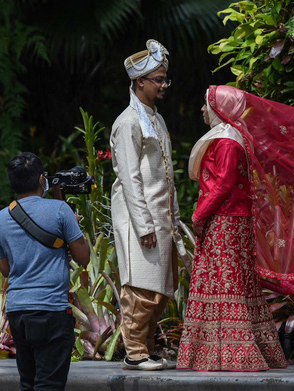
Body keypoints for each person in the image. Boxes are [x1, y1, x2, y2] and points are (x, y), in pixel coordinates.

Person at [176, 87, 287, 371]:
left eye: (207, 105)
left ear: (220, 109)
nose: (203, 110)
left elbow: (223, 185)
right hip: (232, 218)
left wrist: (199, 215)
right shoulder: (234, 136)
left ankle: (232, 355)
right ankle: (230, 352)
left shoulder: (227, 140)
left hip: (225, 218)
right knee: (232, 281)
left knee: (225, 283)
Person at [110, 39, 186, 371]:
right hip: (140, 216)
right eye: (158, 79)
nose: (163, 85)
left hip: (161, 214)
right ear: (139, 81)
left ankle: (148, 347)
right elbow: (129, 177)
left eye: (165, 79)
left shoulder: (154, 118)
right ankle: (135, 351)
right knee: (142, 284)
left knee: (162, 286)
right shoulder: (128, 121)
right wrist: (144, 225)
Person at [0, 152, 91, 390]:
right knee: (49, 384)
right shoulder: (60, 211)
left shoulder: (0, 218)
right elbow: (84, 258)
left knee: (28, 382)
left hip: (18, 313)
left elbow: (5, 270)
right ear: (41, 179)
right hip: (51, 311)